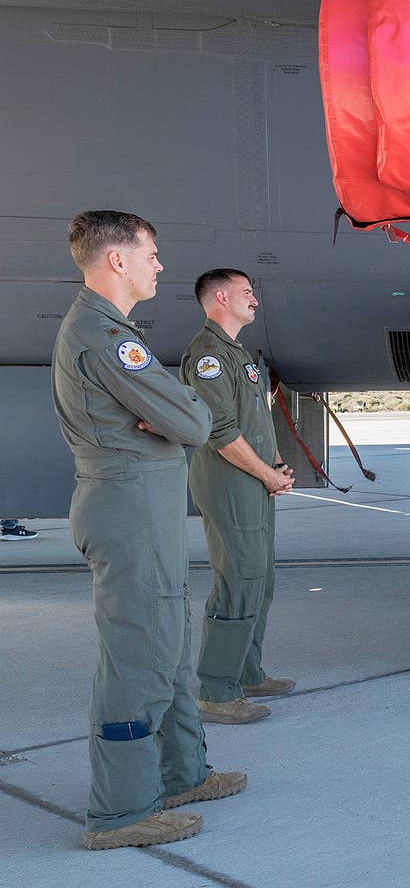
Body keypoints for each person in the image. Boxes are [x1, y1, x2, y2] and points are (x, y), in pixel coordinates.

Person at [53, 211, 244, 850]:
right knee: (137, 655)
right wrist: (174, 412)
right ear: (117, 260)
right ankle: (120, 811)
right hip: (129, 509)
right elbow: (195, 420)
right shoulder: (107, 338)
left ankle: (181, 774)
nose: (160, 265)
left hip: (145, 507)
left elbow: (185, 409)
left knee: (166, 641)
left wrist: (172, 409)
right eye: (152, 254)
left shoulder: (112, 331)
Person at [181, 269, 295, 725]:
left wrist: (278, 463)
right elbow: (220, 431)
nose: (255, 299)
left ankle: (247, 673)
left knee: (259, 578)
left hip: (254, 477)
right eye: (247, 292)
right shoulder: (208, 355)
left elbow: (256, 421)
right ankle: (217, 689)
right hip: (231, 481)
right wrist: (267, 473)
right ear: (221, 297)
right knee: (239, 579)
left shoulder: (237, 353)